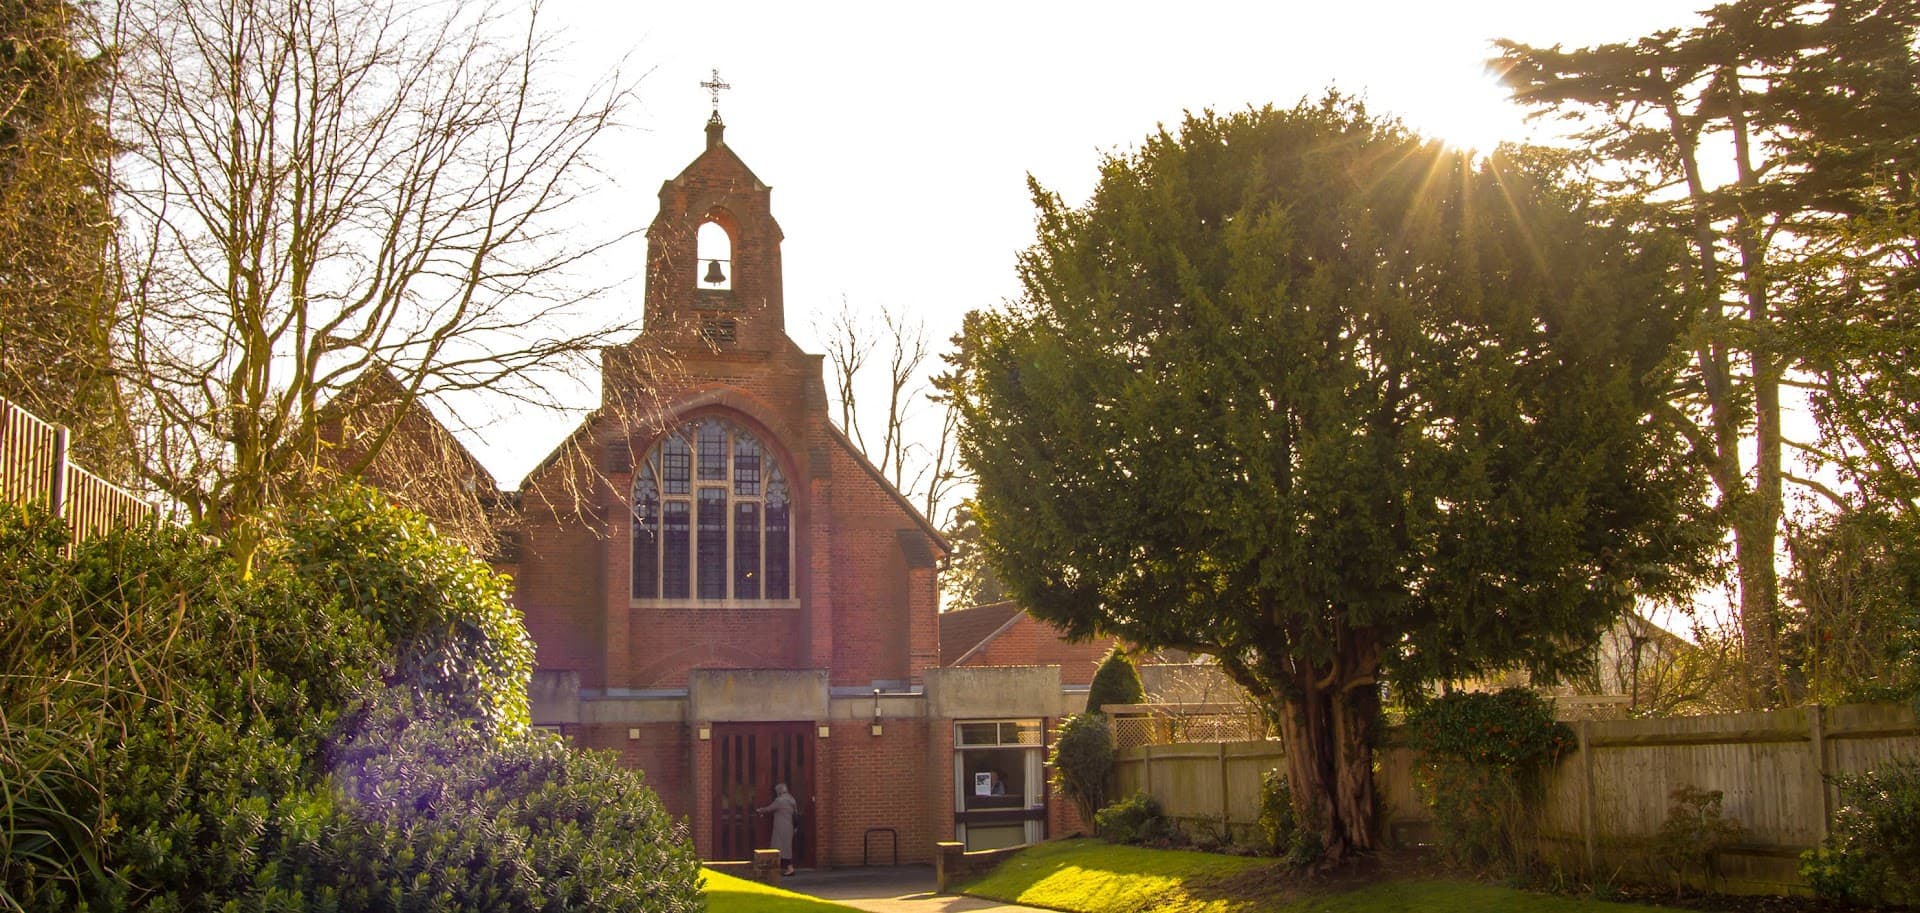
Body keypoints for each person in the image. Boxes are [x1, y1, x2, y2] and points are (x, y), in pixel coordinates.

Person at [757, 783, 800, 876]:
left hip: (781, 827)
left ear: (779, 791)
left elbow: (769, 808)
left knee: (778, 847)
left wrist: (760, 810)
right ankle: (786, 867)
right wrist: (796, 827)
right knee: (787, 848)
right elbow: (796, 814)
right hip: (789, 826)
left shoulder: (780, 800)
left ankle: (786, 868)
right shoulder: (792, 799)